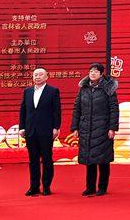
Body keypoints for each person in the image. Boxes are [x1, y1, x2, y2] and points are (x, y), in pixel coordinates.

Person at [71, 63, 119, 197]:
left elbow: (114, 109)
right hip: (86, 128)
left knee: (103, 159)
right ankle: (90, 187)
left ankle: (102, 187)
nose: (92, 73)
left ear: (101, 74)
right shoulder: (84, 88)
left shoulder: (108, 88)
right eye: (91, 71)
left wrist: (112, 128)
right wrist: (75, 127)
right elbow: (77, 108)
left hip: (103, 128)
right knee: (89, 159)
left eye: (96, 71)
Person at [18, 67, 61, 196]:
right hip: (30, 130)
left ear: (46, 77)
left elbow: (56, 111)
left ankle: (46, 186)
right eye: (35, 75)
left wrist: (56, 127)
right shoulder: (27, 91)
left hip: (46, 130)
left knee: (47, 159)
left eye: (40, 74)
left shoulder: (53, 91)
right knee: (33, 160)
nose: (37, 77)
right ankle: (34, 186)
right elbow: (23, 110)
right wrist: (22, 127)